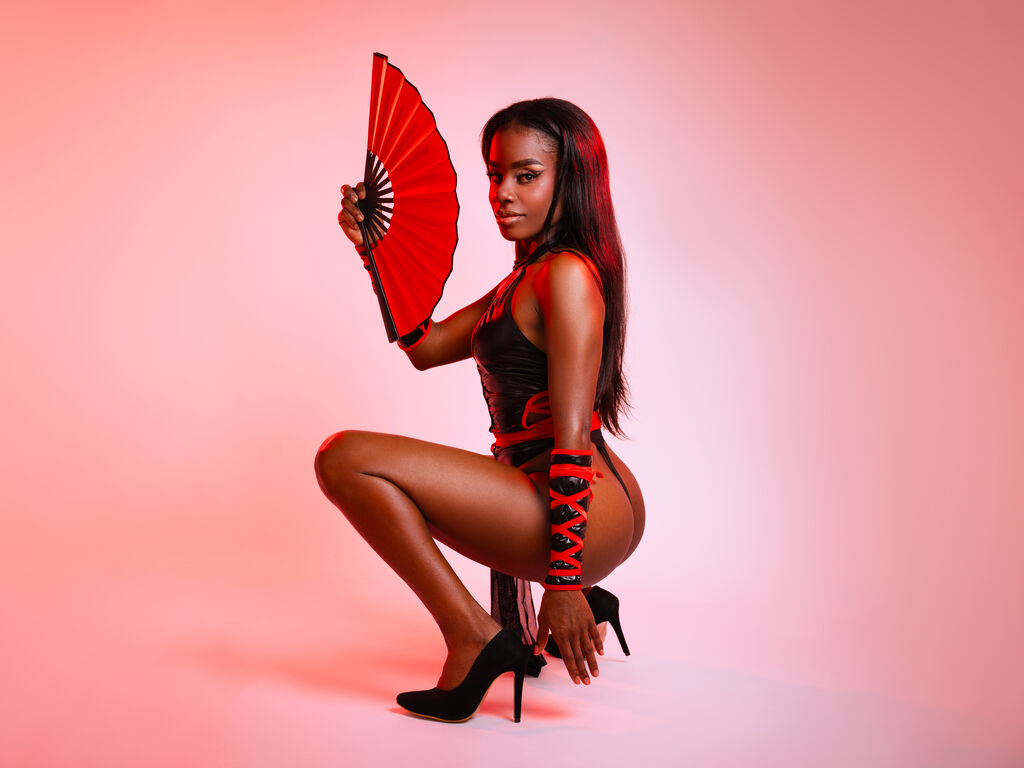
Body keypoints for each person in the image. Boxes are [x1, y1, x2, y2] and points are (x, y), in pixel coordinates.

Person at [315, 98, 645, 723]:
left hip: (579, 508)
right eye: (495, 175)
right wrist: (374, 250)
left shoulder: (565, 275)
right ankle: (517, 624)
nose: (502, 193)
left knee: (345, 458)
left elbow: (572, 435)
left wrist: (564, 582)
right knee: (354, 457)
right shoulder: (526, 278)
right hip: (577, 498)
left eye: (526, 175)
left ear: (571, 179)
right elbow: (426, 346)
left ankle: (474, 637)